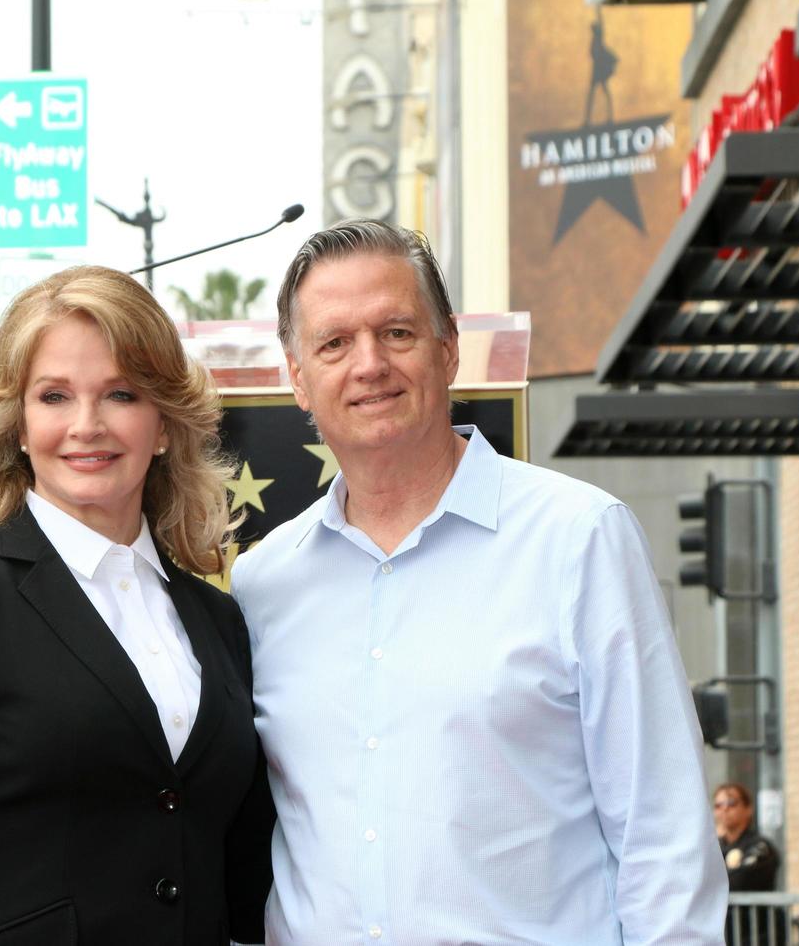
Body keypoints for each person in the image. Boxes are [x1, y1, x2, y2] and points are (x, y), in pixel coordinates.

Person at [231, 218, 727, 944]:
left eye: (396, 332)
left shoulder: (579, 539)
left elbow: (665, 836)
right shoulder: (264, 582)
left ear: (449, 347)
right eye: (334, 343)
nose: (368, 364)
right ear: (298, 378)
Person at [0, 266, 271, 945]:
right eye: (55, 396)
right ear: (19, 425)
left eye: (120, 394)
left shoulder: (217, 620)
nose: (86, 425)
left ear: (162, 426)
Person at [715, 783, 782, 945]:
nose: (724, 809)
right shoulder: (714, 848)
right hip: (725, 936)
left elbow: (738, 882)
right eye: (718, 805)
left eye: (731, 803)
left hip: (758, 936)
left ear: (748, 809)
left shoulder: (760, 846)